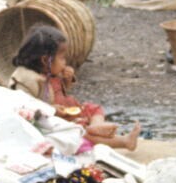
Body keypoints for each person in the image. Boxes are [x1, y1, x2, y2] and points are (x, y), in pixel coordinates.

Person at [10, 26, 140, 150]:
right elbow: (23, 109)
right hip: (52, 123)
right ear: (45, 60)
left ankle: (96, 126)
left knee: (94, 109)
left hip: (67, 111)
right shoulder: (26, 80)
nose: (65, 62)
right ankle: (123, 141)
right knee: (79, 134)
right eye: (62, 58)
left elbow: (60, 91)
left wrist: (67, 80)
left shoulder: (50, 71)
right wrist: (51, 110)